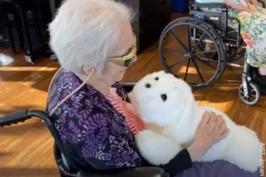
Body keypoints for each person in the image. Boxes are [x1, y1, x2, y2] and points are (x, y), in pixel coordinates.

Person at [47, 0, 258, 176]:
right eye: (126, 56)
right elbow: (146, 173)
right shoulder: (92, 125)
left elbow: (122, 106)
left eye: (133, 46)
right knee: (242, 169)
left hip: (154, 136)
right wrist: (198, 146)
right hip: (160, 166)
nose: (135, 58)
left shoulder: (81, 73)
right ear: (90, 66)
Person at [196, 0, 266, 94]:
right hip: (223, 11)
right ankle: (261, 69)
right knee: (262, 27)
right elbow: (229, 3)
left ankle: (261, 64)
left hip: (235, 7)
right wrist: (249, 9)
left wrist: (256, 6)